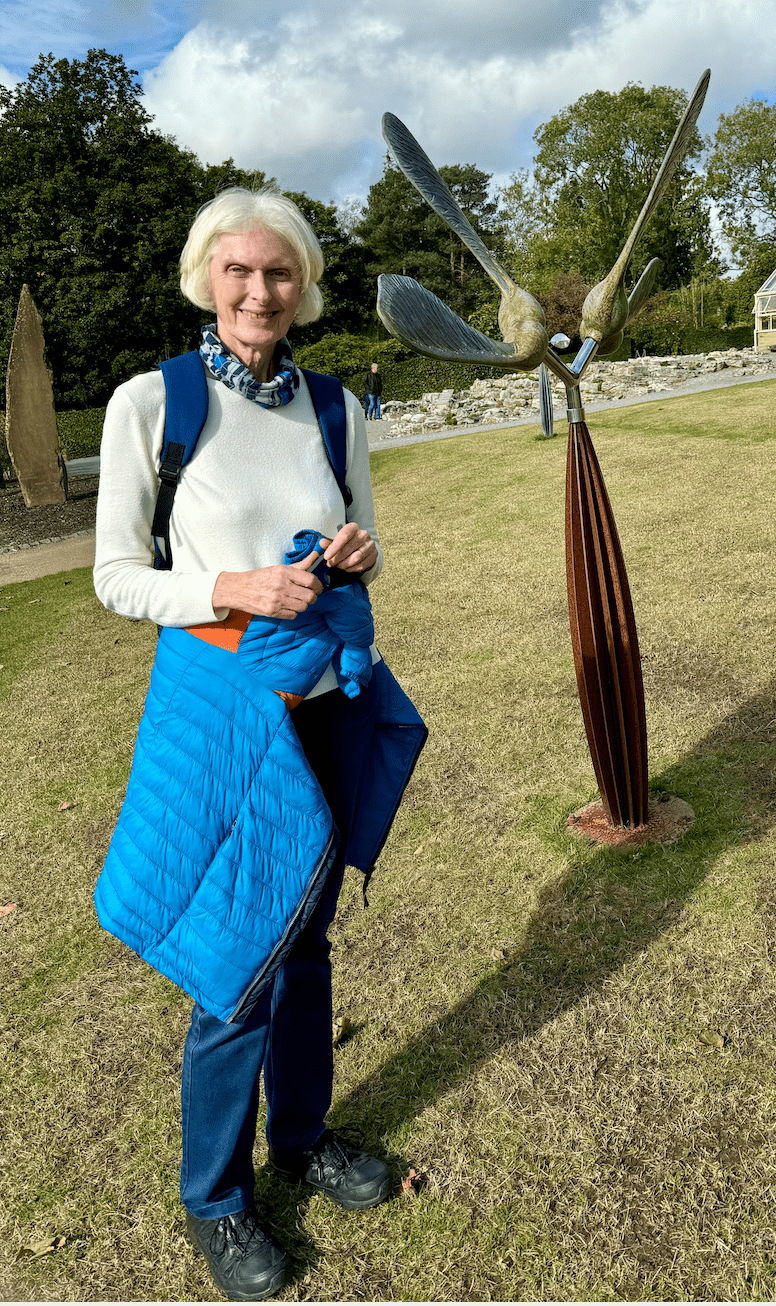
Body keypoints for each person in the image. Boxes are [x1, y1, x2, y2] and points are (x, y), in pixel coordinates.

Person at [93, 187, 420, 1301]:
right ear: (204, 277)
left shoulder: (333, 408)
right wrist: (229, 584)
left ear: (304, 286)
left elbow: (366, 543)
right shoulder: (153, 403)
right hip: (229, 711)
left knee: (310, 941)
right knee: (238, 960)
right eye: (236, 270)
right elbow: (112, 576)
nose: (257, 291)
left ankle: (307, 1136)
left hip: (324, 696)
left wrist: (359, 557)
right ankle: (216, 1199)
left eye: (278, 272)